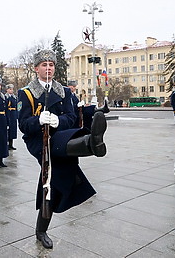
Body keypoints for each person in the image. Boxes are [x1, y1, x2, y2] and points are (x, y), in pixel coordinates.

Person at [17, 49, 107, 249]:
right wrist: (37, 120)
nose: (48, 69)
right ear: (36, 68)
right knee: (57, 160)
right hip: (37, 139)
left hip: (59, 134)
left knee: (53, 179)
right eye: (44, 65)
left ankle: (41, 229)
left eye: (51, 65)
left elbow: (71, 117)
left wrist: (58, 120)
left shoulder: (63, 91)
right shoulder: (26, 93)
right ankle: (90, 145)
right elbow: (23, 124)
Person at [5, 84, 18, 150]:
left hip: (13, 115)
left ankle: (11, 144)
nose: (11, 90)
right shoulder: (6, 97)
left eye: (12, 89)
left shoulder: (14, 97)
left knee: (13, 130)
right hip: (9, 114)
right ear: (7, 90)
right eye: (10, 89)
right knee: (8, 130)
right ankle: (7, 145)